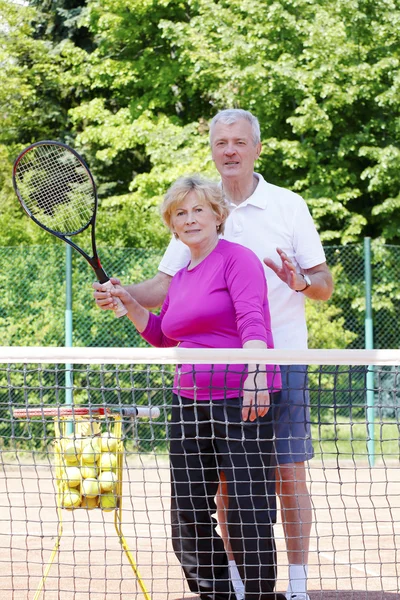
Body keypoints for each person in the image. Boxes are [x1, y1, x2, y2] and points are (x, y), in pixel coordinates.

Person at [93, 109, 334, 600]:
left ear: (256, 148)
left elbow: (321, 286)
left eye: (239, 142)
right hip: (204, 384)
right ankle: (234, 584)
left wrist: (299, 284)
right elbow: (163, 295)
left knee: (286, 474)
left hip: (272, 365)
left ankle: (296, 584)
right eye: (221, 142)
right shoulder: (193, 226)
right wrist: (123, 294)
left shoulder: (287, 207)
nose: (230, 150)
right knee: (223, 487)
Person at [108, 175, 286, 600]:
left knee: (249, 508)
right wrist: (130, 302)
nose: (190, 219)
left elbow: (252, 320)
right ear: (172, 224)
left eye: (198, 210)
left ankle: (259, 594)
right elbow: (163, 334)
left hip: (242, 397)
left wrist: (256, 374)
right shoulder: (182, 276)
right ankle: (218, 593)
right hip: (188, 400)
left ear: (217, 215)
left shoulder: (237, 259)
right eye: (180, 213)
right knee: (187, 510)